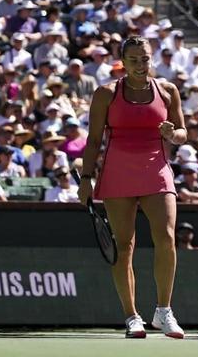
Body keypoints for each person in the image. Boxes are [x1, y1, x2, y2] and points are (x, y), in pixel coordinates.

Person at [77, 36, 185, 339]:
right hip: (117, 173)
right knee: (124, 247)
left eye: (145, 59)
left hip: (157, 171)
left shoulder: (168, 90)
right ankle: (132, 316)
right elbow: (94, 141)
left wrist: (174, 134)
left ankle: (164, 312)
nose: (140, 64)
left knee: (166, 237)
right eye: (134, 59)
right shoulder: (106, 94)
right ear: (123, 61)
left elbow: (183, 133)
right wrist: (86, 179)